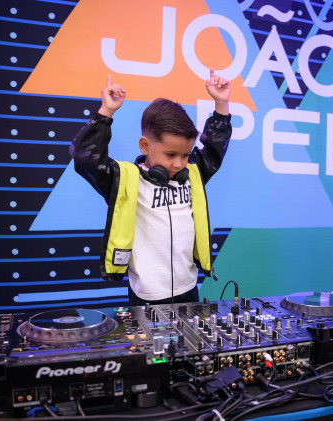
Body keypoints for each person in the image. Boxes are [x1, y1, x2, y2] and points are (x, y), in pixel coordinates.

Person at [70, 69, 232, 305]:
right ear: (145, 146)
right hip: (147, 297)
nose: (179, 163)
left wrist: (221, 103)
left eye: (185, 154)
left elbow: (215, 147)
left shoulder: (192, 174)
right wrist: (106, 112)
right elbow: (85, 157)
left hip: (189, 290)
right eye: (170, 154)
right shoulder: (124, 180)